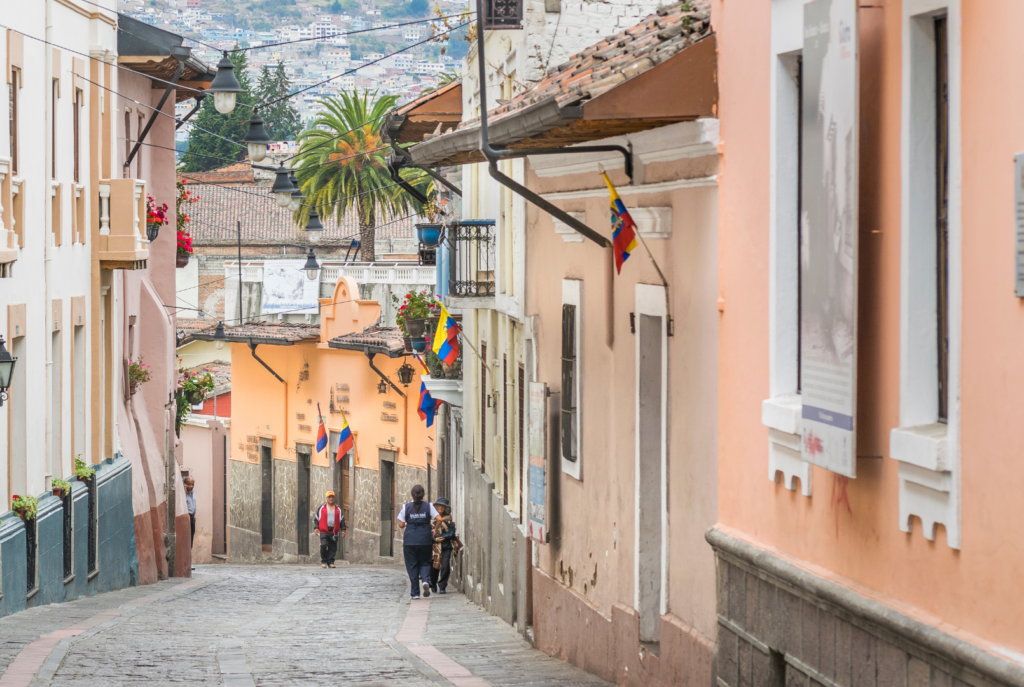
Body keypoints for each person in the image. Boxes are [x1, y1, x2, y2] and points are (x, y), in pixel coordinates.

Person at [397, 484, 439, 600]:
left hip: (410, 540)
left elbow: (400, 525)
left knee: (412, 565)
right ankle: (425, 580)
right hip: (425, 538)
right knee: (425, 562)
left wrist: (409, 522)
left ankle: (415, 593)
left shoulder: (406, 507)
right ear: (423, 495)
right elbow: (439, 518)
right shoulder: (429, 506)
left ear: (412, 495)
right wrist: (435, 529)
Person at [430, 497, 456, 594]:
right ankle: (433, 583)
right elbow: (428, 534)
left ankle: (442, 585)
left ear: (445, 508)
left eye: (442, 506)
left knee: (445, 565)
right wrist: (434, 539)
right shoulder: (432, 522)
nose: (440, 508)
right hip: (435, 548)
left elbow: (451, 533)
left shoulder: (449, 521)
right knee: (433, 567)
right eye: (439, 506)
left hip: (446, 547)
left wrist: (442, 537)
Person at [315, 491, 347, 568]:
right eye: (329, 497)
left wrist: (343, 530)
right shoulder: (322, 507)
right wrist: (316, 527)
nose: (331, 498)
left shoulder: (338, 509)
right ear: (327, 498)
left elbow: (341, 519)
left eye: (332, 497)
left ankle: (331, 562)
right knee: (323, 545)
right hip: (323, 530)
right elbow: (316, 518)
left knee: (333, 547)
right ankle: (324, 561)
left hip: (334, 531)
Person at [184, 477, 196, 547]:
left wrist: (193, 515)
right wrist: (184, 490)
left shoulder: (193, 492)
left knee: (191, 537)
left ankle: (189, 553)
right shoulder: (184, 493)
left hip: (192, 518)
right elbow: (183, 503)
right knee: (186, 538)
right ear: (185, 484)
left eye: (192, 484)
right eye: (189, 484)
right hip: (187, 517)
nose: (191, 486)